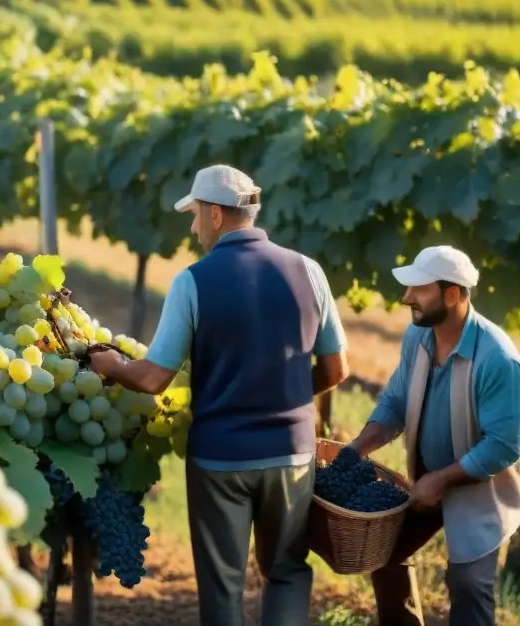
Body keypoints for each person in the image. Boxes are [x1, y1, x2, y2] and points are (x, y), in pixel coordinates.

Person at [88, 164, 350, 626]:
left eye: (194, 215)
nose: (192, 229)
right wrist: (281, 397)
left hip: (221, 462)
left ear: (214, 214)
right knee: (286, 572)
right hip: (291, 455)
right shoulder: (309, 272)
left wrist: (113, 367)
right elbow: (337, 368)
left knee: (224, 585)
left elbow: (153, 379)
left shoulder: (193, 281)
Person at [346, 245, 520, 626]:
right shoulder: (419, 338)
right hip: (426, 479)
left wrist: (442, 479)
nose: (407, 298)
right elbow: (396, 401)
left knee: (468, 583)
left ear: (453, 295)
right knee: (383, 551)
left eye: (420, 289)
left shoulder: (498, 359)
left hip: (480, 488)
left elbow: (503, 446)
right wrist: (358, 447)